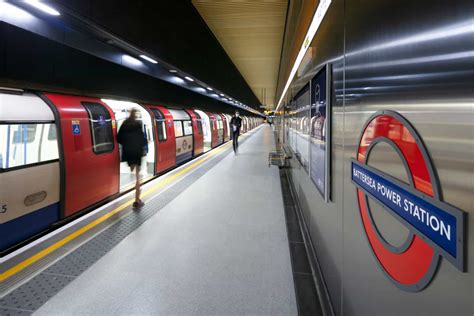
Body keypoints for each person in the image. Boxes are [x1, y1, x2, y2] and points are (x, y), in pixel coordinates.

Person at [117, 108, 146, 209]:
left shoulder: (124, 123)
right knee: (138, 178)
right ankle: (137, 200)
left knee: (133, 174)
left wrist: (127, 145)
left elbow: (118, 138)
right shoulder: (138, 124)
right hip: (137, 153)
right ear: (136, 114)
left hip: (128, 153)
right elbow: (142, 140)